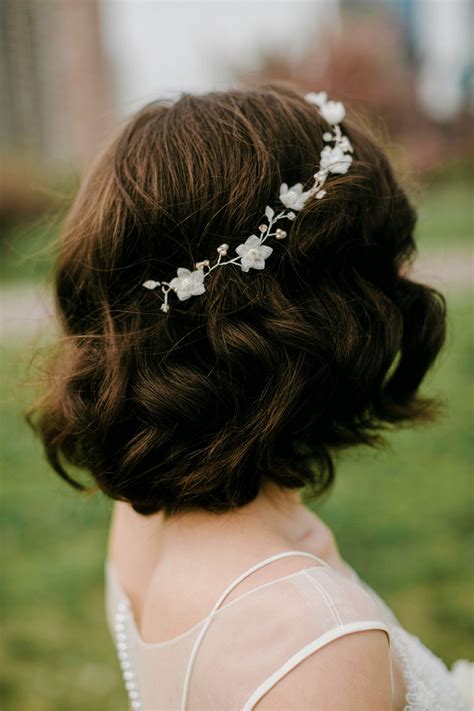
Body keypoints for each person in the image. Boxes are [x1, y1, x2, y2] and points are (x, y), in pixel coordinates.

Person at [30, 86, 471, 710]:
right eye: (378, 261)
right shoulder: (314, 645)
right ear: (313, 314)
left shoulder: (143, 521)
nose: (402, 283)